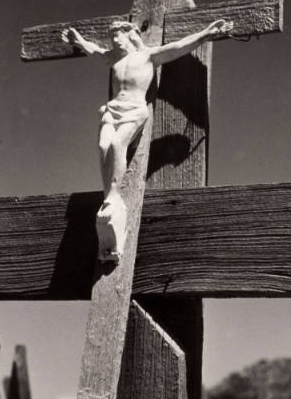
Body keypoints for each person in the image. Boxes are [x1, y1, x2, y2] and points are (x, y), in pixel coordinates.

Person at [62, 17, 233, 262]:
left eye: (117, 37)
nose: (114, 42)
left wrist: (205, 33)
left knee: (118, 144)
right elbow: (95, 51)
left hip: (134, 110)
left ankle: (112, 197)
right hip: (112, 110)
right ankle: (109, 196)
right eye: (112, 39)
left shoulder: (148, 56)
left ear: (129, 35)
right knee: (103, 146)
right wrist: (78, 40)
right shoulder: (115, 58)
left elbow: (178, 47)